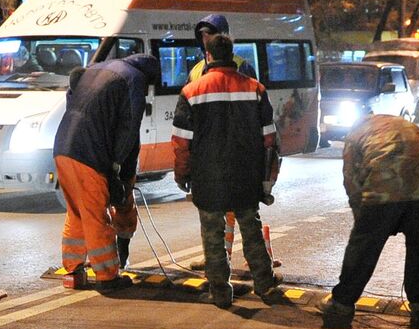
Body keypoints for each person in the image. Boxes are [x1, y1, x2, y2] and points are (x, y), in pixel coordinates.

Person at [174, 32, 280, 309]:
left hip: (208, 176)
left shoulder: (191, 92)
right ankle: (265, 284)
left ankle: (220, 291)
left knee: (212, 234)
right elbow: (270, 141)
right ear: (232, 55)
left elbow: (182, 143)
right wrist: (268, 180)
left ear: (207, 56)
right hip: (246, 174)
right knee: (251, 229)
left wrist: (182, 174)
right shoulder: (255, 89)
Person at [321, 113, 419, 329]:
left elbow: (351, 181)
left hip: (384, 189)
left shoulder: (355, 135)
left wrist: (363, 220)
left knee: (362, 251)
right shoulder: (405, 126)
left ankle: (341, 305)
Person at [53, 52, 160, 291]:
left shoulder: (96, 69)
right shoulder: (134, 79)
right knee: (95, 216)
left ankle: (73, 270)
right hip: (89, 154)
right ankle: (108, 276)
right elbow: (129, 129)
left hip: (62, 147)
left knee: (78, 211)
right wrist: (116, 167)